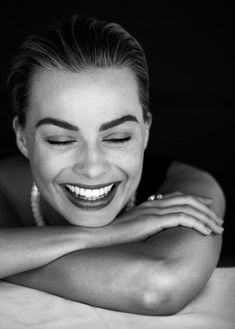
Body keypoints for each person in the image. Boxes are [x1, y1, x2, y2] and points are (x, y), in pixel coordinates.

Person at [0, 14, 225, 315]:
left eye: (118, 138)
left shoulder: (185, 191)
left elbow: (157, 288)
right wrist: (108, 233)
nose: (92, 168)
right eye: (60, 140)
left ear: (145, 130)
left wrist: (12, 258)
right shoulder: (3, 185)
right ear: (23, 138)